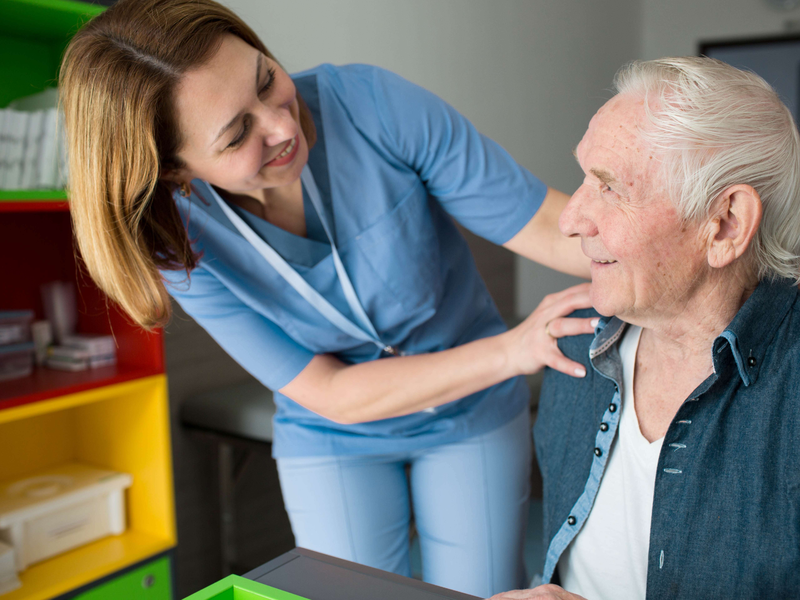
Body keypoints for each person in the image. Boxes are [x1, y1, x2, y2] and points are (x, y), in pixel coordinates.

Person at [59, 0, 595, 596]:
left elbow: (548, 225)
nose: (283, 126)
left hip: (470, 409)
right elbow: (331, 393)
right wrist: (514, 350)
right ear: (174, 173)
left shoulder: (369, 105)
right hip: (337, 432)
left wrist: (679, 255)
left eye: (266, 80)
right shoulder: (176, 241)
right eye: (238, 133)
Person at [490, 56, 800, 600]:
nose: (570, 220)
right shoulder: (575, 345)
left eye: (610, 188)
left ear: (724, 225)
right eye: (585, 177)